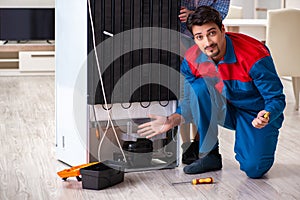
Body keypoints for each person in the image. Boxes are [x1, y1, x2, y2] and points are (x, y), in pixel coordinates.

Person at [138, 6, 286, 178]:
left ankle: (251, 140)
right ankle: (210, 155)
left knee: (254, 169)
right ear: (194, 39)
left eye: (212, 33)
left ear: (223, 29)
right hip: (226, 109)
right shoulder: (192, 59)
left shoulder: (254, 55)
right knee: (199, 88)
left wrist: (267, 115)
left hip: (256, 115)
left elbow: (276, 98)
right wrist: (172, 120)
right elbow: (190, 100)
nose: (207, 42)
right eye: (199, 37)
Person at [179, 0, 230, 165]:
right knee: (183, 91)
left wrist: (192, 15)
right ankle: (186, 144)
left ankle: (200, 143)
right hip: (178, 38)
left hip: (204, 40)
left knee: (202, 89)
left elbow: (219, 15)